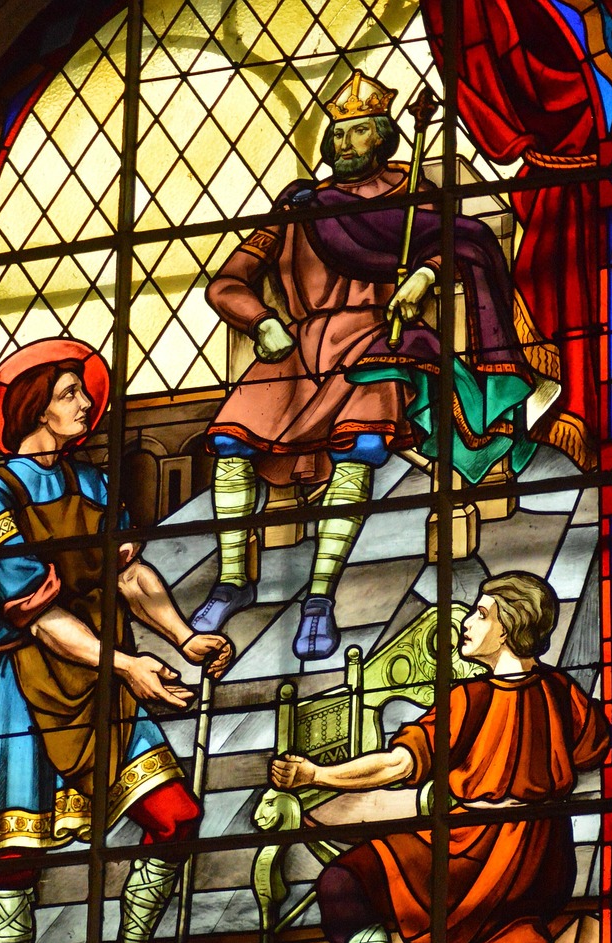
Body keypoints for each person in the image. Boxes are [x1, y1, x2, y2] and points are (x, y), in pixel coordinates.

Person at [0, 338, 232, 943]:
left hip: (107, 679)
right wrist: (131, 666)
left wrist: (181, 635)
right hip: (28, 689)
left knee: (175, 818)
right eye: (72, 392)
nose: (87, 404)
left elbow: (129, 571)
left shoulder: (91, 480)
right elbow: (39, 617)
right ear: (32, 404)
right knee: (14, 868)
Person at [192, 72, 540, 659]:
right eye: (338, 133)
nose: (344, 145)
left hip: (377, 343)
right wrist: (260, 320)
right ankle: (232, 579)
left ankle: (320, 598)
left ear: (383, 137)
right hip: (296, 349)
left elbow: (467, 241)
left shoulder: (412, 199)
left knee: (360, 450)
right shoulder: (299, 207)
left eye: (357, 133)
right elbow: (227, 283)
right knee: (230, 444)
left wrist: (425, 275)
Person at [270, 570, 612, 943]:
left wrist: (315, 773)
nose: (466, 622)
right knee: (495, 936)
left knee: (342, 882)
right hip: (541, 863)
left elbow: (396, 764)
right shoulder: (562, 691)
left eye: (481, 614)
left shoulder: (469, 701)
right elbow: (594, 747)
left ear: (509, 627)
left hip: (471, 857)